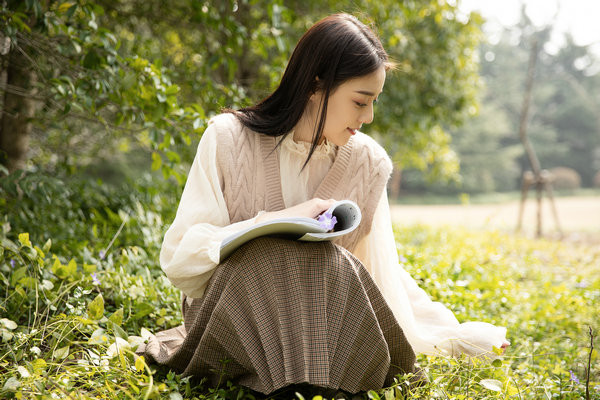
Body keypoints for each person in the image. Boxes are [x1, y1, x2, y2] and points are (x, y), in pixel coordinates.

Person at [138, 13, 508, 397]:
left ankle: (302, 385)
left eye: (373, 102)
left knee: (330, 264)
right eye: (360, 101)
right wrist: (275, 220)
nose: (368, 117)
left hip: (321, 320)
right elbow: (183, 260)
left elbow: (377, 273)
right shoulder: (228, 139)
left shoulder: (369, 162)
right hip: (239, 313)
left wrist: (448, 337)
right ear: (316, 84)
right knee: (270, 257)